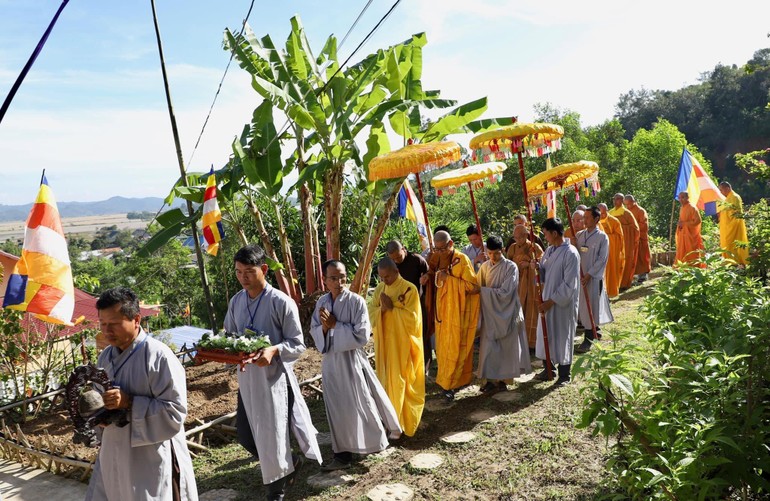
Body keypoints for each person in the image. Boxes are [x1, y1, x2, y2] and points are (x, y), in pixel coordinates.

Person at [224, 244, 321, 500]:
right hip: (248, 380)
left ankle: (276, 491)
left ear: (264, 269)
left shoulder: (281, 302)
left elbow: (298, 343)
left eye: (249, 271)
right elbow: (230, 336)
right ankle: (288, 465)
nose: (243, 277)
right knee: (246, 437)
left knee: (274, 435)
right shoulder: (236, 301)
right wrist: (222, 351)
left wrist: (274, 350)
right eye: (238, 272)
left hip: (275, 381)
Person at [86, 287, 198, 501]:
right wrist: (97, 415)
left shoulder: (159, 357)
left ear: (136, 319)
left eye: (114, 324)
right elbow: (98, 401)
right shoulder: (104, 358)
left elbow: (174, 413)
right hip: (114, 452)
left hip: (150, 458)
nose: (107, 331)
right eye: (103, 324)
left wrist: (129, 402)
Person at [311, 260, 401, 470]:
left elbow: (361, 336)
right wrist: (323, 329)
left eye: (342, 277)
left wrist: (335, 325)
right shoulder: (322, 303)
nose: (339, 282)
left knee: (360, 403)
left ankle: (374, 442)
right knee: (336, 408)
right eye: (333, 278)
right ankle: (342, 455)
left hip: (351, 361)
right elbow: (315, 330)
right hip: (331, 363)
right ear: (325, 280)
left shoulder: (357, 301)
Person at [419, 230, 480, 401]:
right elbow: (433, 275)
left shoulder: (462, 260)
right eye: (436, 249)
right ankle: (446, 380)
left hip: (458, 314)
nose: (439, 253)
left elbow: (474, 288)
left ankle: (450, 385)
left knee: (455, 349)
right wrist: (427, 277)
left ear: (451, 244)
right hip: (442, 313)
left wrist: (450, 280)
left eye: (442, 249)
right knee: (443, 349)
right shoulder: (436, 258)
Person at [369, 257, 425, 436]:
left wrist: (392, 309)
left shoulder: (409, 289)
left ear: (396, 272)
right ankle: (388, 421)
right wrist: (382, 310)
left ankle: (401, 423)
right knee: (385, 381)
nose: (384, 281)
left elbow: (413, 319)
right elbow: (370, 312)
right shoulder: (380, 290)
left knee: (400, 381)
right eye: (381, 277)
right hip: (384, 345)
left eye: (387, 277)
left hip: (402, 346)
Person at [476, 235, 532, 392]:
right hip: (490, 313)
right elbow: (477, 285)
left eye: (496, 253)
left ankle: (503, 381)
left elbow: (506, 293)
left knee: (506, 348)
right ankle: (490, 379)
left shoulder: (511, 267)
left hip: (507, 312)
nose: (493, 257)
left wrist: (483, 291)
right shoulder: (485, 266)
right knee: (489, 348)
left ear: (503, 251)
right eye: (490, 253)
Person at [533, 218, 580, 385]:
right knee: (546, 333)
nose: (544, 237)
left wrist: (551, 301)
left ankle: (564, 375)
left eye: (545, 234)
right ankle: (548, 368)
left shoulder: (571, 253)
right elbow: (545, 275)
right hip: (547, 298)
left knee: (562, 336)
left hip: (562, 304)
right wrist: (538, 268)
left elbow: (569, 284)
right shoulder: (549, 251)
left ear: (554, 233)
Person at [385, 240, 431, 373]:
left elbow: (429, 273)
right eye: (393, 259)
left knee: (422, 334)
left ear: (404, 249)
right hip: (398, 306)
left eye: (399, 257)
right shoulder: (390, 264)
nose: (397, 261)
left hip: (418, 304)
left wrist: (426, 277)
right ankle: (408, 366)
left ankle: (424, 367)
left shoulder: (417, 260)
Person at [575, 207, 614, 353]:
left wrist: (589, 274)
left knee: (591, 307)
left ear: (596, 219)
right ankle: (591, 334)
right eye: (584, 217)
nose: (585, 220)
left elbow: (601, 259)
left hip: (592, 278)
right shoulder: (579, 235)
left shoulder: (602, 237)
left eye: (587, 217)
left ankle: (589, 339)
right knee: (583, 308)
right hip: (580, 277)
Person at [506, 224, 544, 349]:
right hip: (518, 284)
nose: (517, 240)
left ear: (526, 235)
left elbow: (542, 263)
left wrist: (529, 264)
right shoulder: (512, 247)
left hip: (531, 286)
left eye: (520, 237)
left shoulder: (534, 247)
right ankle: (517, 341)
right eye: (515, 238)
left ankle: (532, 342)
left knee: (531, 310)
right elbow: (507, 263)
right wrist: (516, 266)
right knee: (518, 309)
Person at [609, 193, 639, 291]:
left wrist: (621, 228)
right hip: (614, 242)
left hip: (626, 241)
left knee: (625, 261)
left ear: (622, 200)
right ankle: (615, 283)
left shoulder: (626, 213)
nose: (615, 201)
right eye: (614, 199)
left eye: (617, 199)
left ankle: (624, 283)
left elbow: (635, 228)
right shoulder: (610, 212)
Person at [717, 182, 749, 265]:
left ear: (727, 188)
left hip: (733, 226)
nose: (721, 192)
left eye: (721, 190)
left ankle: (735, 263)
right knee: (726, 244)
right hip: (726, 226)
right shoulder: (727, 198)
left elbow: (737, 214)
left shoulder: (735, 197)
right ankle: (728, 263)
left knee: (732, 244)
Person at [623, 195, 651, 283]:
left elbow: (644, 225)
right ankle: (633, 276)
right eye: (626, 205)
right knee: (632, 257)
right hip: (631, 239)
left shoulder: (641, 211)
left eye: (629, 204)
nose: (628, 206)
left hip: (640, 237)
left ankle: (643, 275)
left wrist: (633, 229)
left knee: (642, 256)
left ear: (634, 201)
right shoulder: (626, 212)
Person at [599, 203, 624, 298]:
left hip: (612, 251)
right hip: (600, 251)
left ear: (607, 211)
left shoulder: (614, 221)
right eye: (600, 214)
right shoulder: (595, 222)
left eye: (604, 213)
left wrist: (605, 237)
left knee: (612, 269)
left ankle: (612, 291)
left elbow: (619, 237)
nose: (602, 216)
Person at [675, 192, 705, 266]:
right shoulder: (682, 208)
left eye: (683, 197)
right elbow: (682, 220)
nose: (680, 199)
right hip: (683, 233)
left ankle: (693, 267)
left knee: (691, 251)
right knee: (682, 250)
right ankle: (682, 266)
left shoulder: (692, 208)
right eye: (679, 198)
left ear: (687, 197)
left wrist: (684, 224)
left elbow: (698, 221)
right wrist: (680, 225)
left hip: (691, 235)